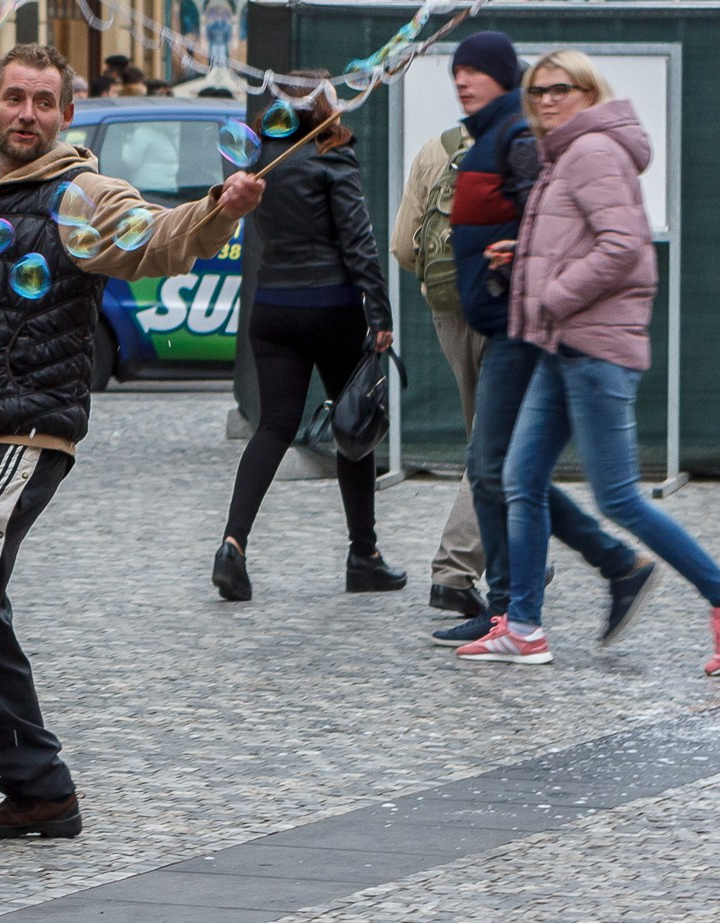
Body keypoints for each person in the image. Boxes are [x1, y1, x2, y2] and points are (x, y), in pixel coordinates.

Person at [0, 43, 264, 847]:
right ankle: (40, 790)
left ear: (66, 114)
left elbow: (158, 239)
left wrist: (220, 209)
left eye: (44, 101)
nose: (27, 114)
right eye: (14, 98)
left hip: (28, 426)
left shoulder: (88, 195)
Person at [458, 51, 720, 672]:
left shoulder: (593, 151)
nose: (547, 100)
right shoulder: (567, 153)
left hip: (595, 348)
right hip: (562, 345)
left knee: (618, 498)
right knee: (521, 479)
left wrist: (552, 292)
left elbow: (624, 247)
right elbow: (584, 237)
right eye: (537, 91)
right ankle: (523, 627)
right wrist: (527, 256)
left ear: (589, 91)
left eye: (561, 89)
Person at [423, 33, 649, 651]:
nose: (462, 81)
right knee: (507, 470)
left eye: (474, 71)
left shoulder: (517, 137)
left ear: (504, 76)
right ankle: (594, 573)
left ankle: (520, 606)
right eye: (456, 71)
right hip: (501, 319)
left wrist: (524, 268)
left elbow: (558, 227)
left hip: (518, 327)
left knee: (499, 468)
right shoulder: (491, 134)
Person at [213, 78, 404, 602]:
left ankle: (232, 544)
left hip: (272, 307)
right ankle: (363, 556)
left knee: (274, 426)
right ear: (323, 107)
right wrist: (379, 311)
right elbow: (358, 239)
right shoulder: (330, 156)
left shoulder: (259, 159)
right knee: (353, 427)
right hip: (330, 307)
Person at [390, 95, 488, 619]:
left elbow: (404, 248)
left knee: (493, 436)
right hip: (507, 310)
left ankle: (520, 555)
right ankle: (455, 569)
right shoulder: (528, 146)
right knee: (500, 442)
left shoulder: (437, 148)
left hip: (449, 309)